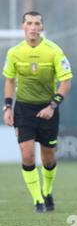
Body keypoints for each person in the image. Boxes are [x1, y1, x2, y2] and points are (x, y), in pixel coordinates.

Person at [2, 11, 72, 213]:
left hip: (48, 109)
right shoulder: (14, 52)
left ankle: (47, 191)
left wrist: (52, 106)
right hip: (23, 109)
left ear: (42, 27)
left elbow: (65, 81)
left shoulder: (54, 51)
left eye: (37, 23)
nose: (33, 27)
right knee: (27, 156)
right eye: (29, 23)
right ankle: (37, 200)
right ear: (23, 26)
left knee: (48, 158)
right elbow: (9, 80)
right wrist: (7, 107)